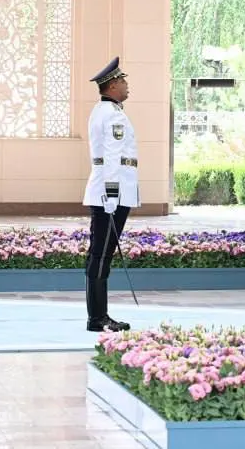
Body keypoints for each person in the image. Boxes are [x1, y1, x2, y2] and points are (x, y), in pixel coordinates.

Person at [82, 56, 138, 333]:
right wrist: (112, 196)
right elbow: (112, 157)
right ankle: (98, 318)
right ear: (113, 84)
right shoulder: (112, 115)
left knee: (100, 254)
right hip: (111, 195)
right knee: (101, 255)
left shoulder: (104, 111)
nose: (127, 85)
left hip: (107, 193)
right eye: (123, 80)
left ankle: (98, 315)